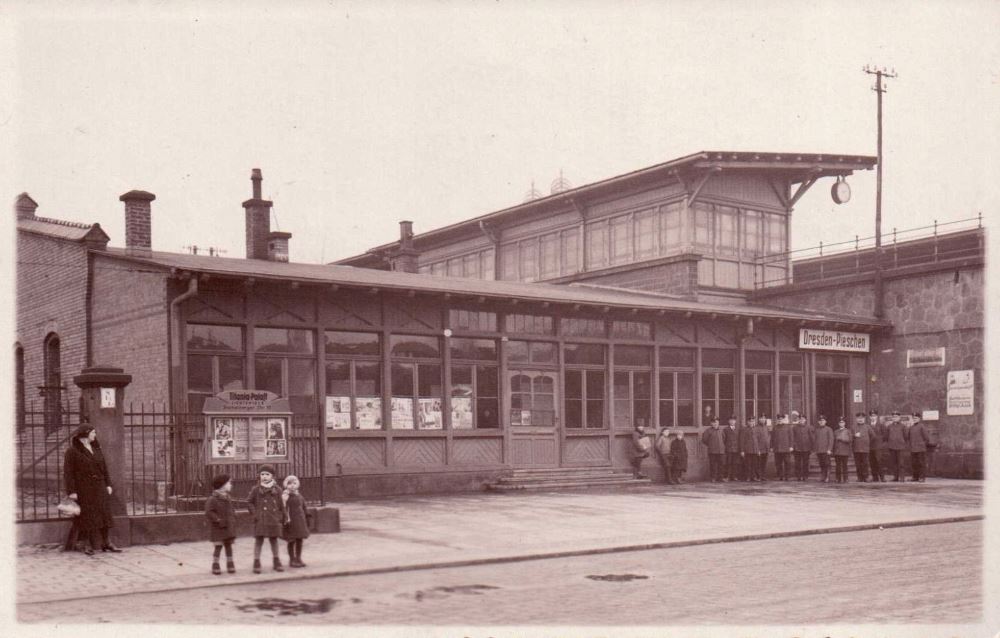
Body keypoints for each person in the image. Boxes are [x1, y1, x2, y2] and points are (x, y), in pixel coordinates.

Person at [63, 424, 121, 555]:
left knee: (104, 513)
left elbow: (104, 468)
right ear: (85, 434)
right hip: (84, 488)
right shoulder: (72, 451)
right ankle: (85, 544)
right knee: (87, 516)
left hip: (100, 486)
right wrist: (71, 491)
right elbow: (68, 473)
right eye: (93, 432)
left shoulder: (97, 448)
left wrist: (108, 484)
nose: (95, 435)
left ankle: (107, 543)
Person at [246, 465, 286, 573]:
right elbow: (249, 502)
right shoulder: (256, 489)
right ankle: (256, 561)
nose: (264, 477)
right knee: (259, 540)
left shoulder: (277, 490)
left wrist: (281, 517)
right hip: (261, 519)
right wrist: (255, 515)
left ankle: (276, 561)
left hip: (273, 519)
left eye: (267, 474)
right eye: (262, 474)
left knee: (274, 540)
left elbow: (282, 505)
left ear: (272, 476)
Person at [205, 473, 237, 575]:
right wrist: (218, 520)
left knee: (228, 546)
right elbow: (209, 512)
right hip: (218, 528)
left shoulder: (228, 497)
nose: (231, 485)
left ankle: (230, 564)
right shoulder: (213, 499)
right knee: (218, 547)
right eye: (229, 483)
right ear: (222, 485)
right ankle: (215, 565)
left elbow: (231, 509)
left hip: (228, 527)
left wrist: (233, 517)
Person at [282, 475, 310, 567]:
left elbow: (304, 506)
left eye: (294, 483)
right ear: (286, 485)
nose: (292, 485)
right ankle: (292, 559)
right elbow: (282, 508)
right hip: (291, 522)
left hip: (300, 521)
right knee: (291, 541)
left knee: (299, 540)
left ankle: (299, 558)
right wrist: (284, 501)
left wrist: (307, 516)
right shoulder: (285, 496)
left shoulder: (299, 495)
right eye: (289, 483)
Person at [885, 411, 909, 481]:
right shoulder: (889, 426)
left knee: (901, 463)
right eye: (893, 417)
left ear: (899, 418)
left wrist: (903, 443)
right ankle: (895, 477)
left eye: (896, 417)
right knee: (894, 463)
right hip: (892, 447)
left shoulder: (903, 426)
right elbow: (886, 436)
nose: (895, 418)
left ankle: (902, 477)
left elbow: (906, 436)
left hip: (900, 447)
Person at [700, 417, 726, 482]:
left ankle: (720, 477)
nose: (715, 424)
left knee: (721, 465)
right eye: (713, 422)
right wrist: (711, 445)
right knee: (713, 465)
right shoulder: (708, 431)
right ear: (711, 423)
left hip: (721, 451)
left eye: (716, 422)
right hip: (712, 451)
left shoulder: (721, 430)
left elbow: (724, 439)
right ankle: (713, 477)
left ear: (718, 423)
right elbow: (704, 440)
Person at [908, 412, 931, 482]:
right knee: (914, 464)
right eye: (913, 418)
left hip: (920, 449)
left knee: (921, 463)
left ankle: (922, 477)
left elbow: (927, 438)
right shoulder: (911, 427)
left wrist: (922, 445)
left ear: (919, 419)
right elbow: (909, 437)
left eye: (916, 418)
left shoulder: (922, 426)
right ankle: (915, 477)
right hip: (913, 449)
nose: (915, 419)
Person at [770, 414, 794, 481]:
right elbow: (772, 438)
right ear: (777, 420)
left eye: (781, 419)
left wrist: (791, 446)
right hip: (777, 448)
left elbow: (791, 437)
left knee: (787, 462)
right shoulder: (775, 427)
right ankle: (780, 475)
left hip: (786, 448)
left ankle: (787, 476)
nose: (780, 420)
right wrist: (771, 447)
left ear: (784, 419)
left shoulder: (788, 427)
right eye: (779, 419)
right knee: (778, 463)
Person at [791, 412, 814, 481]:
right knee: (797, 463)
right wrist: (793, 446)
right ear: (798, 420)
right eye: (800, 419)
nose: (801, 420)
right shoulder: (794, 428)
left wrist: (812, 447)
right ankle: (798, 476)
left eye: (803, 419)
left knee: (805, 463)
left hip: (806, 448)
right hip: (797, 448)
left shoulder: (808, 427)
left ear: (805, 420)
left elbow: (811, 438)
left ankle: (805, 476)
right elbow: (792, 437)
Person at [852, 412, 874, 482]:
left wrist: (867, 442)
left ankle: (866, 477)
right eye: (858, 418)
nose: (860, 420)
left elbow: (873, 436)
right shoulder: (853, 427)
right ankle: (859, 477)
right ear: (856, 419)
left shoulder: (867, 427)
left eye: (862, 418)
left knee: (865, 463)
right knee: (858, 464)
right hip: (856, 448)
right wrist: (854, 436)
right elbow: (850, 437)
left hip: (865, 449)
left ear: (864, 419)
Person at [812, 415, 834, 483]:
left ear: (825, 421)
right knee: (821, 464)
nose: (821, 422)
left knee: (827, 463)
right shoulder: (817, 430)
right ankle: (823, 476)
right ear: (818, 422)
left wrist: (829, 449)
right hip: (819, 450)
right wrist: (815, 449)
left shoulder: (829, 429)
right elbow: (815, 440)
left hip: (826, 450)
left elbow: (831, 440)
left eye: (823, 421)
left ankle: (828, 476)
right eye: (820, 421)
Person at [739, 415, 761, 482]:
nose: (751, 423)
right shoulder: (744, 429)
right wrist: (742, 450)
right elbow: (741, 440)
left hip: (755, 450)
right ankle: (747, 477)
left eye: (753, 421)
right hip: (747, 450)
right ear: (747, 422)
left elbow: (758, 440)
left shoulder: (756, 429)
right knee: (747, 464)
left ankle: (753, 476)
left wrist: (758, 450)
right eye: (750, 421)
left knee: (754, 464)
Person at [868, 410, 887, 482]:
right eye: (871, 416)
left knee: (879, 461)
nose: (873, 417)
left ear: (877, 416)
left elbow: (885, 436)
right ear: (869, 417)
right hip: (870, 446)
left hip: (878, 446)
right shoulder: (868, 425)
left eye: (874, 416)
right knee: (872, 462)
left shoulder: (881, 425)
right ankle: (875, 477)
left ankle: (882, 477)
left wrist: (880, 442)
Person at [833, 417, 853, 483]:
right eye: (840, 422)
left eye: (843, 422)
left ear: (845, 423)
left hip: (845, 451)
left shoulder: (848, 431)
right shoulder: (835, 431)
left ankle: (845, 478)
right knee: (838, 465)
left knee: (845, 465)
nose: (841, 424)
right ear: (838, 424)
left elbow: (850, 440)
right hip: (837, 451)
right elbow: (833, 442)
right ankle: (838, 478)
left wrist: (842, 439)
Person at [722, 415, 742, 482]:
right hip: (729, 449)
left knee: (735, 463)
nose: (732, 421)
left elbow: (740, 439)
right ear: (728, 421)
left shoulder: (738, 429)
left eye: (733, 420)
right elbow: (724, 440)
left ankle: (734, 476)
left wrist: (740, 449)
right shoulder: (726, 429)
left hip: (736, 449)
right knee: (728, 463)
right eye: (730, 420)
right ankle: (727, 476)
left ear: (735, 421)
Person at [755, 414, 771, 481]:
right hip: (759, 449)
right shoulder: (756, 428)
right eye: (761, 418)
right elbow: (755, 439)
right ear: (759, 419)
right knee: (758, 463)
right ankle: (758, 476)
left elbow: (768, 437)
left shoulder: (766, 427)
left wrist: (768, 447)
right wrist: (757, 449)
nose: (763, 420)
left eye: (764, 418)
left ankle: (763, 476)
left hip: (765, 448)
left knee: (764, 463)